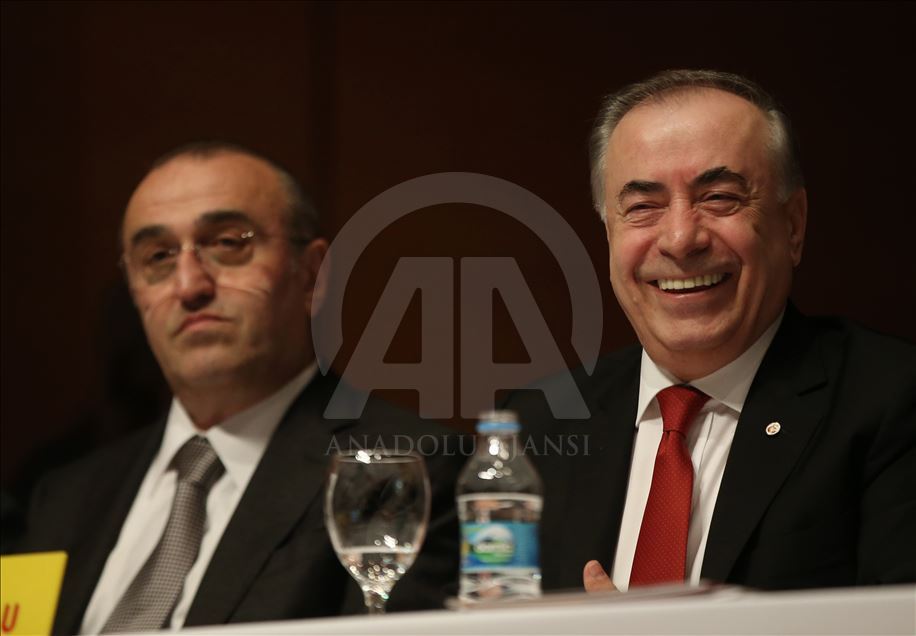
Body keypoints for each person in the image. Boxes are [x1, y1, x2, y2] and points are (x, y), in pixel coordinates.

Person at [20, 142, 462, 634]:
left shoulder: (405, 471)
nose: (190, 285)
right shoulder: (66, 499)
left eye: (229, 244)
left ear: (311, 275)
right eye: (158, 256)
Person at [505, 70, 916, 593]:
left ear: (793, 224)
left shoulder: (892, 402)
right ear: (608, 233)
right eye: (643, 207)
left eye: (719, 197)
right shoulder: (538, 424)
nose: (681, 239)